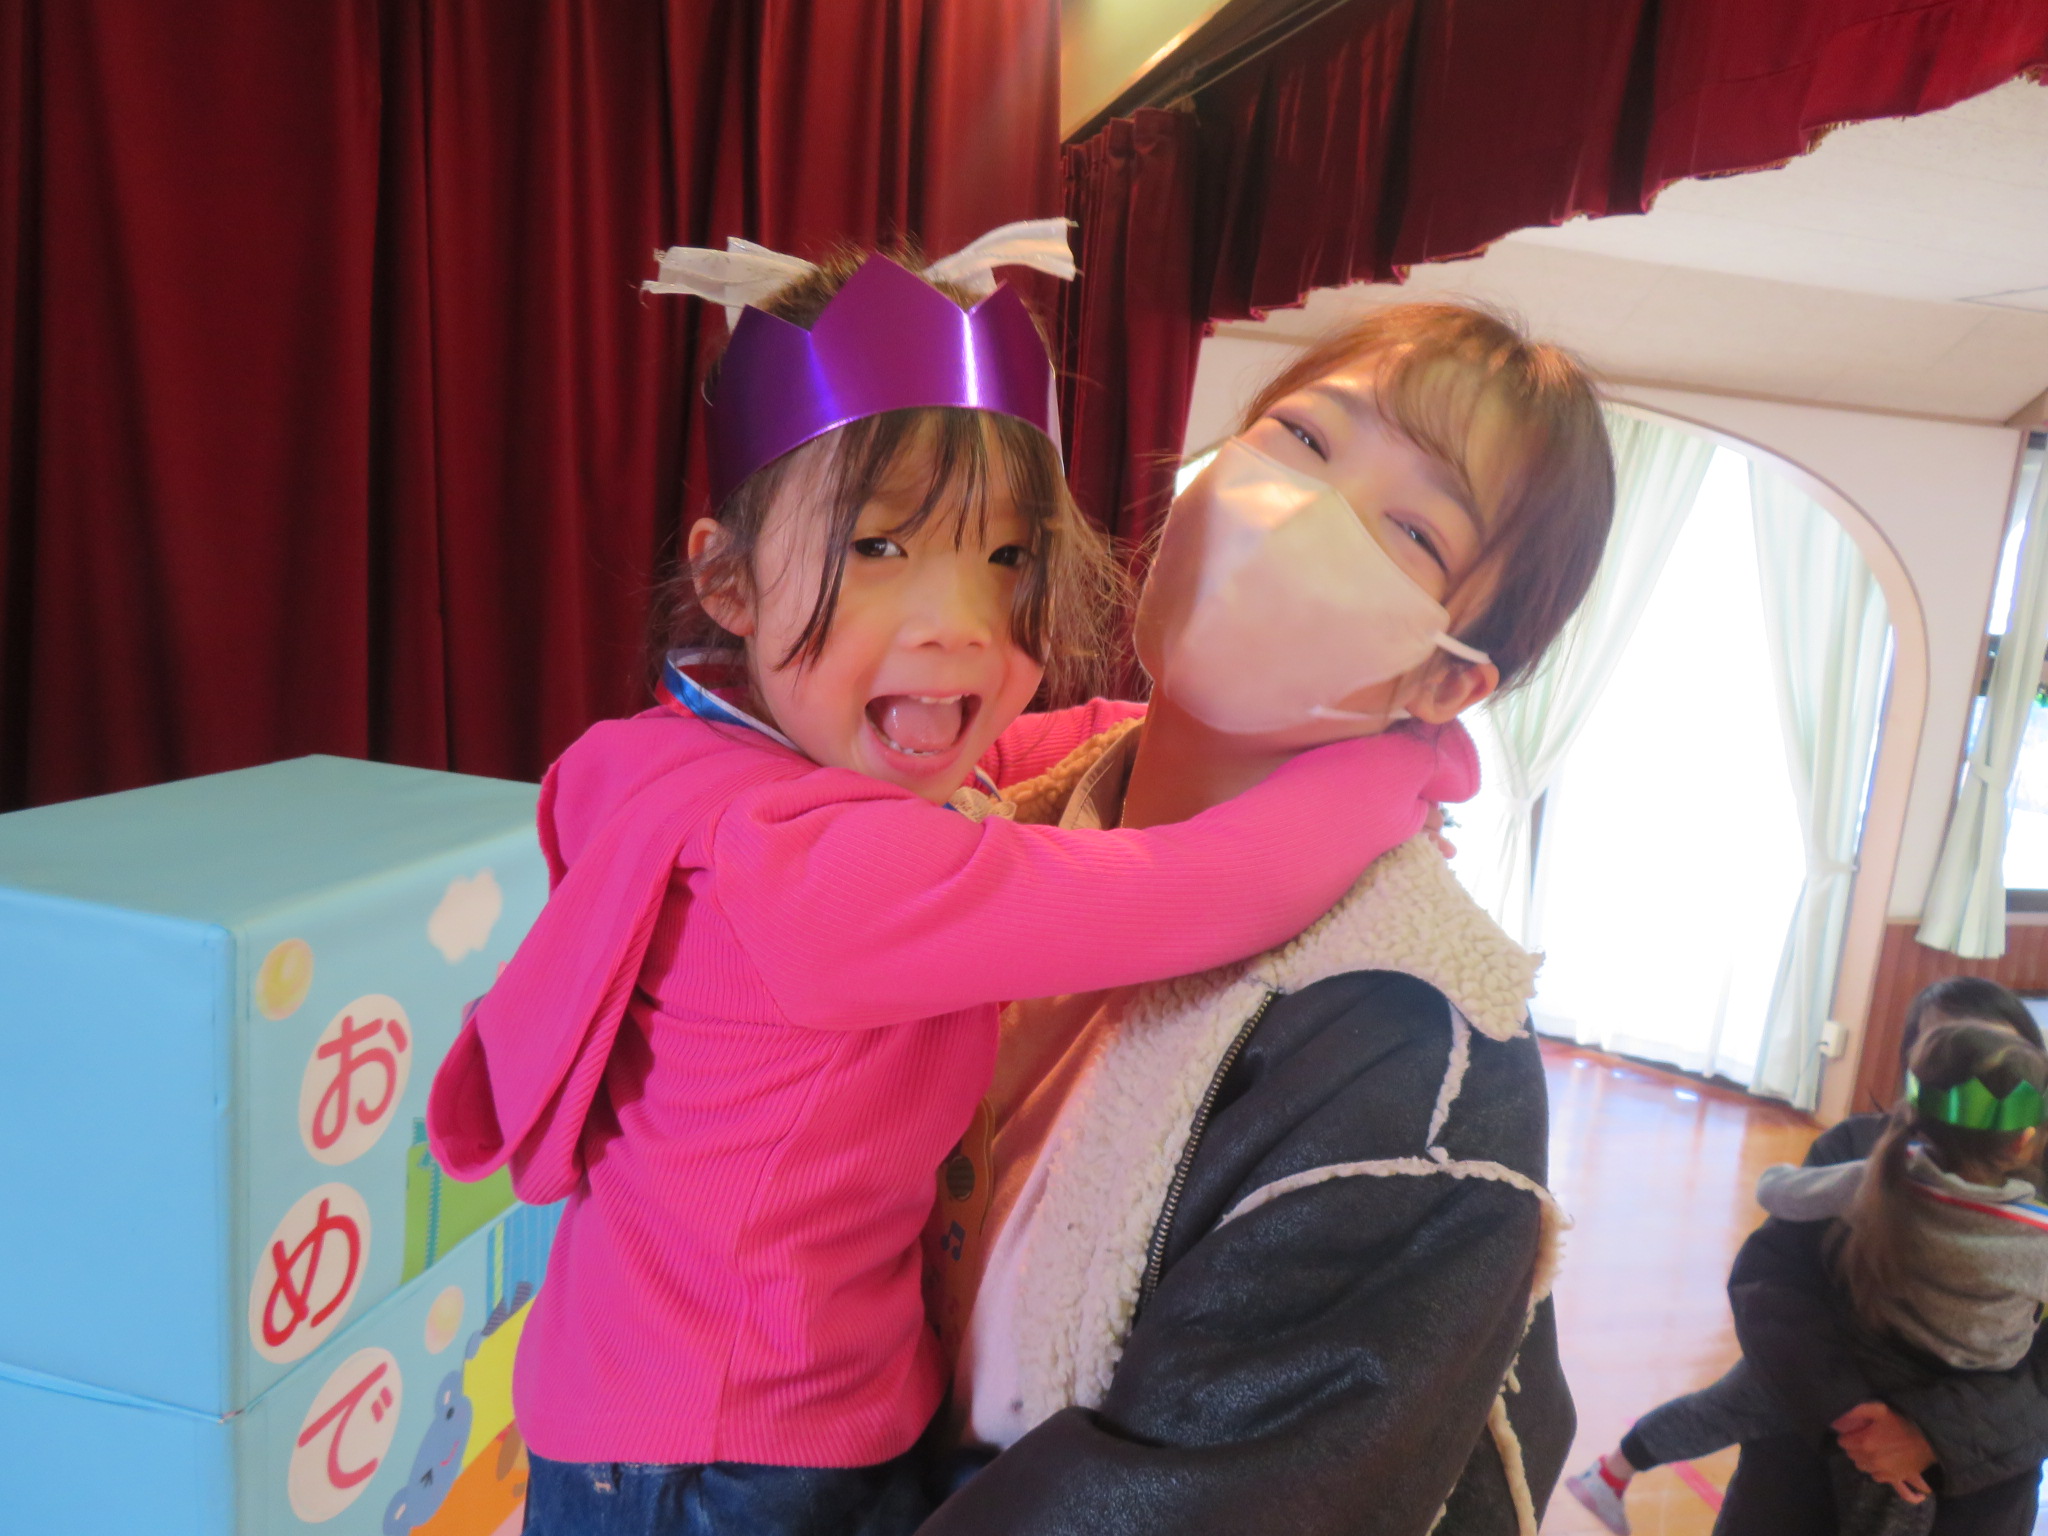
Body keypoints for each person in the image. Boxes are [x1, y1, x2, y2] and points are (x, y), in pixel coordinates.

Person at [424, 228, 1476, 1536]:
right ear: (727, 581)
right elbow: (1195, 889)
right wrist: (1398, 765)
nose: (960, 626)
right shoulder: (815, 875)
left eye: (1007, 559)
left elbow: (1016, 755)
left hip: (645, 1392)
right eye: (879, 548)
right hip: (726, 1456)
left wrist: (1164, 731)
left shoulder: (703, 758)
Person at [917, 301, 1618, 1536]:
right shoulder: (984, 825)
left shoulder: (1414, 1054)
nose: (1299, 514)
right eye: (1301, 439)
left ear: (1443, 676)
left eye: (1410, 527)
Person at [1566, 977, 2047, 1535]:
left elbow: (1780, 1191)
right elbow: (1770, 1286)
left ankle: (1615, 1470)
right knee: (1731, 1407)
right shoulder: (1861, 1156)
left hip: (1978, 1477)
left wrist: (1931, 1435)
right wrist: (1849, 1411)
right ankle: (1613, 1472)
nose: (1971, 1069)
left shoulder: (1882, 1180)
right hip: (1799, 1454)